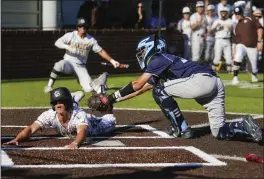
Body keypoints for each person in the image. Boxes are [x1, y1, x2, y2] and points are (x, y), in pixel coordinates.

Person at [105, 34, 262, 143]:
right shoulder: (163, 62)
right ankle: (245, 126)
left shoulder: (158, 59)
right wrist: (113, 100)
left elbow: (138, 84)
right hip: (215, 83)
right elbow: (141, 89)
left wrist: (110, 97)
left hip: (202, 81)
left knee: (159, 90)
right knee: (219, 131)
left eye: (142, 51)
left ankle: (181, 128)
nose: (140, 54)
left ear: (150, 48)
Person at [3, 87, 116, 149]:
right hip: (78, 116)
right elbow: (31, 128)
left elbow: (82, 131)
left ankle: (102, 92)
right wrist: (17, 139)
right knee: (82, 115)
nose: (58, 104)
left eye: (61, 102)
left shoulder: (79, 114)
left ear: (67, 103)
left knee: (111, 121)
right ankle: (75, 99)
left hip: (93, 127)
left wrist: (75, 143)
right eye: (55, 102)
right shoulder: (49, 114)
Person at [43, 18, 120, 94]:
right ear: (78, 27)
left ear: (87, 28)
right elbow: (57, 42)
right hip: (68, 63)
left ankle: (100, 85)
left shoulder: (90, 40)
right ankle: (49, 86)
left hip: (80, 66)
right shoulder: (71, 35)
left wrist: (112, 60)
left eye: (84, 26)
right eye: (80, 26)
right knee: (58, 65)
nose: (82, 28)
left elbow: (101, 51)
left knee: (89, 89)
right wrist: (68, 47)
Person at [232, 6, 263, 85]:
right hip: (241, 45)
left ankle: (254, 74)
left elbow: (260, 29)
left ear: (242, 13)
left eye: (238, 14)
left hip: (252, 46)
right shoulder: (237, 26)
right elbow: (236, 42)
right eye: (236, 14)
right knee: (238, 56)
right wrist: (234, 55)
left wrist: (259, 41)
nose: (237, 16)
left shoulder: (250, 19)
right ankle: (235, 77)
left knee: (254, 69)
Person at [209, 6, 233, 72]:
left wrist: (229, 28)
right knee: (217, 57)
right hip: (219, 40)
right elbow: (210, 32)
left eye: (225, 12)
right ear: (220, 13)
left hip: (227, 40)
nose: (223, 13)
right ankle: (213, 70)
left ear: (227, 13)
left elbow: (233, 31)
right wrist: (216, 27)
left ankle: (229, 71)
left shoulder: (230, 21)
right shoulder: (217, 21)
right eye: (222, 12)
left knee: (229, 58)